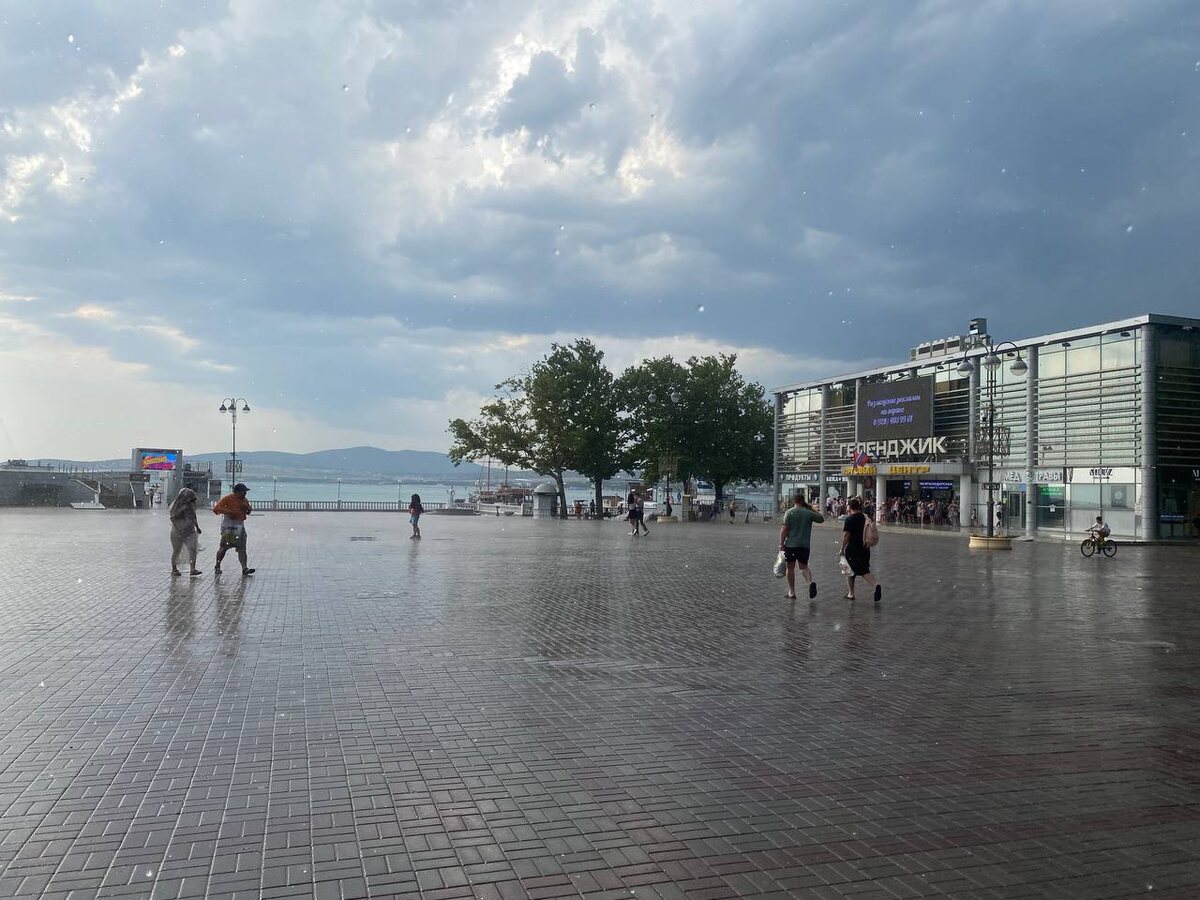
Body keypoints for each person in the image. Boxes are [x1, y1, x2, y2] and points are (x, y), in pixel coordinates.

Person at [779, 491, 824, 599]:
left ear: (794, 501)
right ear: (803, 501)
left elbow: (784, 529)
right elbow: (821, 519)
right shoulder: (808, 513)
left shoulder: (789, 512)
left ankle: (792, 592)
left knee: (790, 568)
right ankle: (810, 583)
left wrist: (781, 543)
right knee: (803, 567)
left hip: (791, 544)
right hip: (804, 545)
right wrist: (810, 508)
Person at [840, 496, 881, 602]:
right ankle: (872, 586)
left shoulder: (849, 519)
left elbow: (846, 536)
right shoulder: (865, 517)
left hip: (852, 549)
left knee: (851, 571)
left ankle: (853, 592)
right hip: (865, 547)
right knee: (862, 569)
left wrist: (842, 549)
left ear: (850, 507)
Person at [212, 483, 254, 576]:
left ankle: (244, 568)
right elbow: (216, 508)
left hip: (240, 525)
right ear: (237, 492)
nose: (245, 494)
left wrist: (247, 508)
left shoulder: (244, 500)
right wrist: (229, 512)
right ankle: (217, 565)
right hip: (229, 526)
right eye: (243, 492)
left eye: (245, 492)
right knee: (224, 547)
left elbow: (248, 511)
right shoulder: (228, 498)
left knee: (242, 548)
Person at [168, 487, 203, 577]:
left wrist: (197, 527)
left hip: (190, 531)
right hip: (177, 531)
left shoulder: (191, 505)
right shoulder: (176, 506)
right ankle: (174, 569)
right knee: (177, 550)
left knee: (192, 549)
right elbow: (172, 518)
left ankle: (193, 569)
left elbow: (193, 516)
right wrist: (180, 527)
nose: (191, 501)